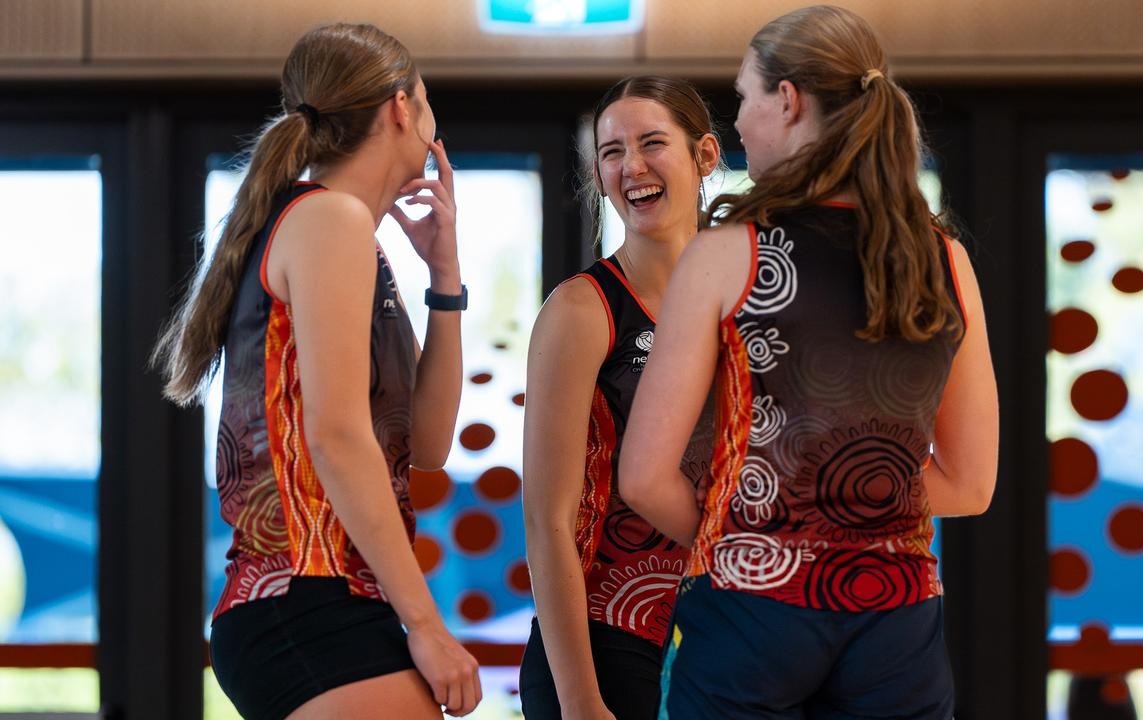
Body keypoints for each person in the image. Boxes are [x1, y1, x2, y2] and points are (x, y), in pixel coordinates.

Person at [617, 6, 999, 719]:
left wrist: (747, 535)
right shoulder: (945, 261)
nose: (738, 121)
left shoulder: (730, 253)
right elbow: (971, 485)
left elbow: (642, 477)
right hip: (898, 622)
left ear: (787, 100)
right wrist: (854, 511)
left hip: (750, 617)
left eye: (743, 98)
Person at [150, 23, 480, 720]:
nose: (431, 122)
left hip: (324, 598)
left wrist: (444, 279)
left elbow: (425, 444)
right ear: (399, 108)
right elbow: (335, 437)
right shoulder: (327, 222)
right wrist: (427, 625)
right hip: (304, 595)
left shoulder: (354, 238)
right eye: (426, 103)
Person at [519, 76, 720, 720]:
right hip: (604, 643)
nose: (631, 166)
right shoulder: (582, 310)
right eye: (611, 151)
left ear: (705, 157)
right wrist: (580, 699)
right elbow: (547, 521)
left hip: (720, 635)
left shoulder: (742, 303)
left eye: (652, 143)